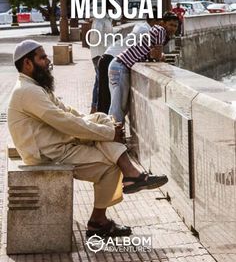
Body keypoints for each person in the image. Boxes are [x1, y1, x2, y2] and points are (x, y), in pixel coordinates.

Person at [7, 40, 168, 238]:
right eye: (42, 57)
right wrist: (108, 133)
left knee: (101, 118)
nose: (48, 61)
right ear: (27, 64)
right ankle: (98, 220)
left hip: (57, 143)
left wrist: (101, 126)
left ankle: (130, 174)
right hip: (47, 152)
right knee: (109, 165)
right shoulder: (28, 91)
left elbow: (67, 112)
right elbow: (65, 122)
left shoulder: (36, 86)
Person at [108, 12, 179, 124]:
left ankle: (112, 133)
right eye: (171, 25)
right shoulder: (160, 31)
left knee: (120, 106)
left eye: (175, 26)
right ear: (163, 23)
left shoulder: (157, 31)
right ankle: (112, 134)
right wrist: (161, 57)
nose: (173, 28)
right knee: (118, 107)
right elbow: (156, 55)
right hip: (121, 66)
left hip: (119, 65)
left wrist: (158, 55)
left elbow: (153, 54)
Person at [97, 20, 151, 114]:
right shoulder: (145, 30)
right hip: (112, 59)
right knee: (109, 99)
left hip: (107, 56)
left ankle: (102, 123)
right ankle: (104, 125)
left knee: (104, 96)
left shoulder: (141, 25)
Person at [89, 0, 114, 114]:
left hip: (100, 53)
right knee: (101, 82)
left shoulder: (104, 19)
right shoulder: (100, 19)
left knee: (98, 82)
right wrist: (106, 48)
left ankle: (94, 108)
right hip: (100, 54)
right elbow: (97, 35)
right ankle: (97, 109)